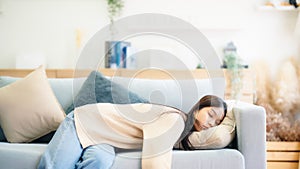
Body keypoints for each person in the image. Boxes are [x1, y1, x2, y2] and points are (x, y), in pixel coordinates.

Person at [38, 95, 227, 169]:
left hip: (105, 140)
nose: (211, 123)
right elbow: (155, 161)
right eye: (211, 114)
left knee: (99, 162)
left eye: (217, 122)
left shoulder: (182, 133)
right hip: (85, 121)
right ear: (197, 108)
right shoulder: (175, 120)